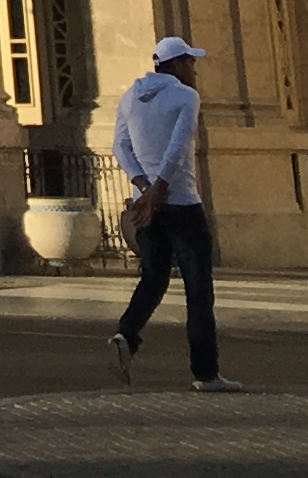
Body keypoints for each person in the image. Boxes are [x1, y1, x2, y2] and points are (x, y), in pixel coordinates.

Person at [110, 35, 229, 390]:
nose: (194, 69)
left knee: (153, 277)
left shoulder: (130, 97)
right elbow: (178, 146)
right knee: (198, 287)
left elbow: (120, 146)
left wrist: (144, 188)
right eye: (190, 62)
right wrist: (160, 189)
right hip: (182, 203)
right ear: (175, 64)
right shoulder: (186, 96)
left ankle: (126, 334)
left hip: (147, 207)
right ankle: (205, 372)